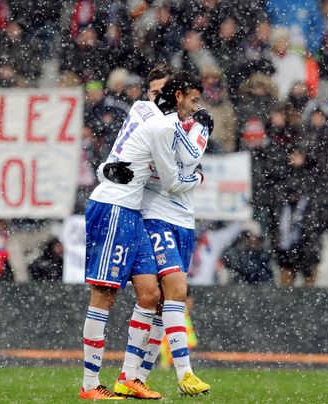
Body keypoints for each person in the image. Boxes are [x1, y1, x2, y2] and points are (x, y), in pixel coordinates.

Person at [79, 71, 205, 400]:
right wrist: (196, 178)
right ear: (176, 97)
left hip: (133, 211)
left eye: (157, 91)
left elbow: (122, 153)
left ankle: (129, 377)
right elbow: (172, 181)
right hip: (114, 206)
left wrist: (107, 166)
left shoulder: (140, 110)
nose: (153, 96)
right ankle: (90, 385)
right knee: (103, 295)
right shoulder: (163, 125)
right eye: (152, 90)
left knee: (151, 294)